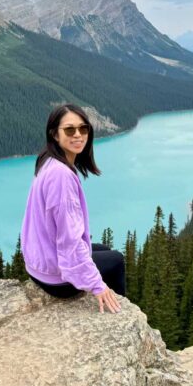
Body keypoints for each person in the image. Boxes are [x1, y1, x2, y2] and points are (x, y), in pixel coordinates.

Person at [20, 103, 124, 314]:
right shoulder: (61, 176)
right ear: (55, 135)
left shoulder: (47, 160)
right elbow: (70, 238)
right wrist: (97, 285)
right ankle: (118, 312)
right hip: (55, 279)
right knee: (116, 261)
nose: (78, 135)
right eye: (69, 130)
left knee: (103, 249)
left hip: (38, 265)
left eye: (83, 128)